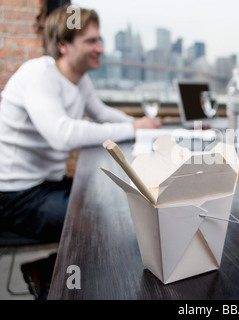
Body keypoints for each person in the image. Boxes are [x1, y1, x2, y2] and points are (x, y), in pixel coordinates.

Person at [0, 6, 160, 245]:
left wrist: (141, 124)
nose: (101, 49)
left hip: (49, 184)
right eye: (91, 41)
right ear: (64, 45)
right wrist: (133, 129)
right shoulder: (38, 75)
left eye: (100, 40)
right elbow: (62, 135)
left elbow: (101, 112)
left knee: (111, 199)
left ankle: (57, 271)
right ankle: (48, 275)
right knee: (103, 218)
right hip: (17, 196)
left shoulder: (79, 79)